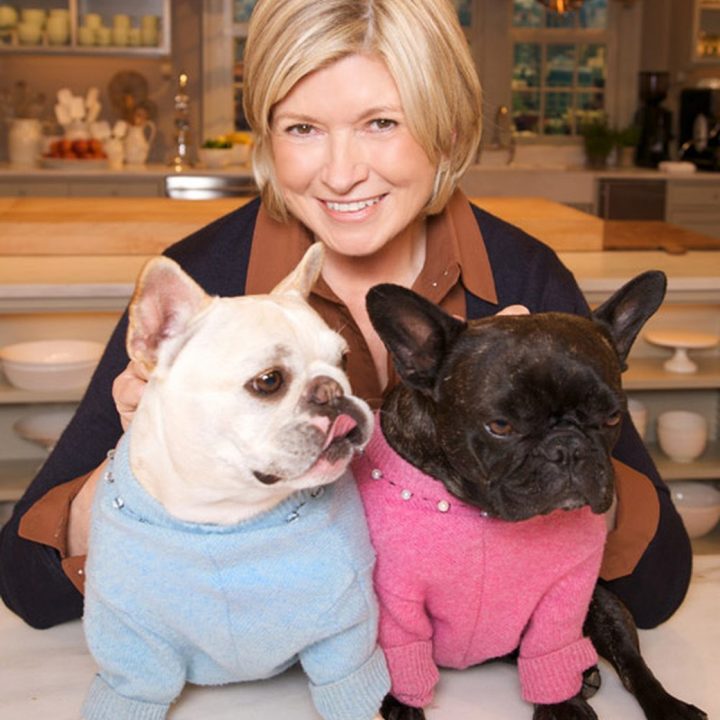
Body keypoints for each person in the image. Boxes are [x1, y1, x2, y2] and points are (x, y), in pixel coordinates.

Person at [0, 0, 690, 636]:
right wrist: (143, 461)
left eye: (381, 124)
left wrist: (545, 428)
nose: (338, 174)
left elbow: (657, 588)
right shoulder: (203, 284)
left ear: (447, 125)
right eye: (302, 128)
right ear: (267, 138)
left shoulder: (521, 278)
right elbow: (27, 585)